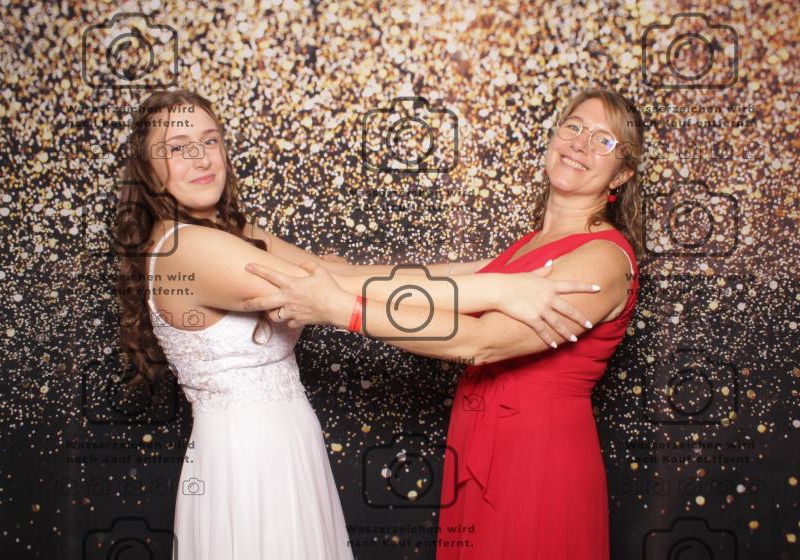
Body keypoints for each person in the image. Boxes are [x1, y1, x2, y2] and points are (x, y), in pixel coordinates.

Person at [113, 89, 600, 559]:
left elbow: (351, 277)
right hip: (246, 458)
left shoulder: (233, 232)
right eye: (177, 148)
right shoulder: (188, 249)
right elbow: (329, 291)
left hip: (285, 442)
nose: (201, 158)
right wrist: (499, 289)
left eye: (210, 141)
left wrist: (500, 270)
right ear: (149, 172)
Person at [242, 87, 643, 560]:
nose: (580, 143)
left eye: (603, 140)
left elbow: (482, 342)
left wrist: (338, 308)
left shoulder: (603, 258)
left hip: (537, 458)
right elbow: (417, 283)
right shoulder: (529, 246)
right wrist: (258, 242)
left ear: (622, 173)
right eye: (573, 127)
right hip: (480, 442)